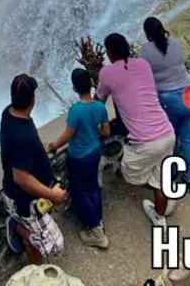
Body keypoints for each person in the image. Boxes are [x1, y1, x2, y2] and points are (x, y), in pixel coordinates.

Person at [96, 32, 176, 228]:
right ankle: (160, 216)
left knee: (129, 172)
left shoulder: (106, 73)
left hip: (145, 141)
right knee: (159, 176)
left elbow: (99, 101)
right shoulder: (143, 64)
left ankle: (164, 191)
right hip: (167, 132)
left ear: (109, 52)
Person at [0, 73, 66, 264]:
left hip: (30, 197)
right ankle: (18, 230)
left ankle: (22, 228)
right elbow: (21, 178)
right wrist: (52, 195)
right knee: (51, 245)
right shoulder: (22, 135)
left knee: (46, 240)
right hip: (24, 200)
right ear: (32, 99)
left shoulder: (9, 113)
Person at [46, 68, 110, 249]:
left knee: (79, 191)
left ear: (74, 88)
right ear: (91, 84)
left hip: (79, 157)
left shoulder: (76, 111)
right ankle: (98, 221)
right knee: (93, 187)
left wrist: (52, 147)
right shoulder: (100, 106)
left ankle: (97, 233)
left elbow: (67, 135)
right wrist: (92, 130)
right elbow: (106, 132)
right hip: (95, 151)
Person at [140, 16, 190, 178]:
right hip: (188, 93)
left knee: (169, 141)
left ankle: (170, 176)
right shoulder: (177, 44)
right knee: (188, 141)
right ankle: (189, 177)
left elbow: (145, 77)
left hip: (168, 99)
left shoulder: (145, 51)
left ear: (148, 34)